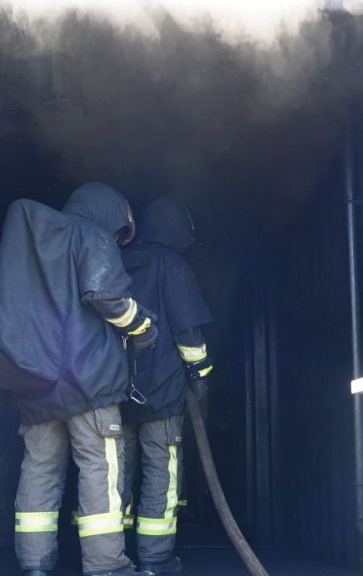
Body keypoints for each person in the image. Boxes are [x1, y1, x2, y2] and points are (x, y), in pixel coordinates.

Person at [0, 182, 159, 576]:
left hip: (37, 384)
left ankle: (34, 563)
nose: (118, 239)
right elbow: (106, 296)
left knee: (40, 469)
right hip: (88, 384)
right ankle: (107, 565)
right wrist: (143, 326)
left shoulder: (37, 245)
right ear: (112, 214)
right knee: (99, 469)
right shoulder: (93, 235)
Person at [120, 198, 214, 575]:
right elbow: (187, 332)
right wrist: (201, 373)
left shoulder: (113, 260)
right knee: (161, 469)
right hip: (162, 391)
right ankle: (155, 558)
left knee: (113, 473)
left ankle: (110, 556)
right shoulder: (173, 265)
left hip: (112, 390)